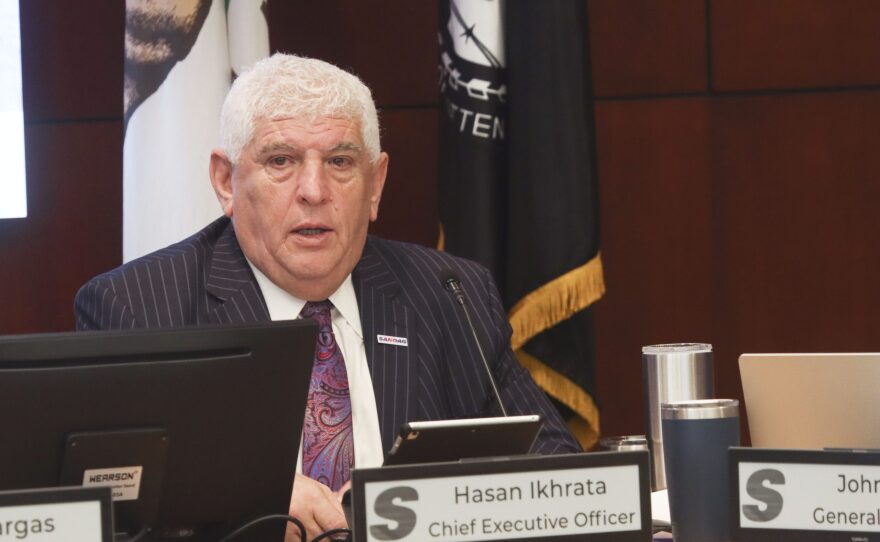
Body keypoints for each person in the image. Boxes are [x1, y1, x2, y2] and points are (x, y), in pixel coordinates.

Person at [76, 53, 581, 540]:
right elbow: (107, 501)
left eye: (340, 161)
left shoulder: (451, 294)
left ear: (376, 183)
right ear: (226, 181)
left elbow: (556, 472)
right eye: (281, 160)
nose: (314, 190)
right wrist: (253, 498)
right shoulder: (140, 309)